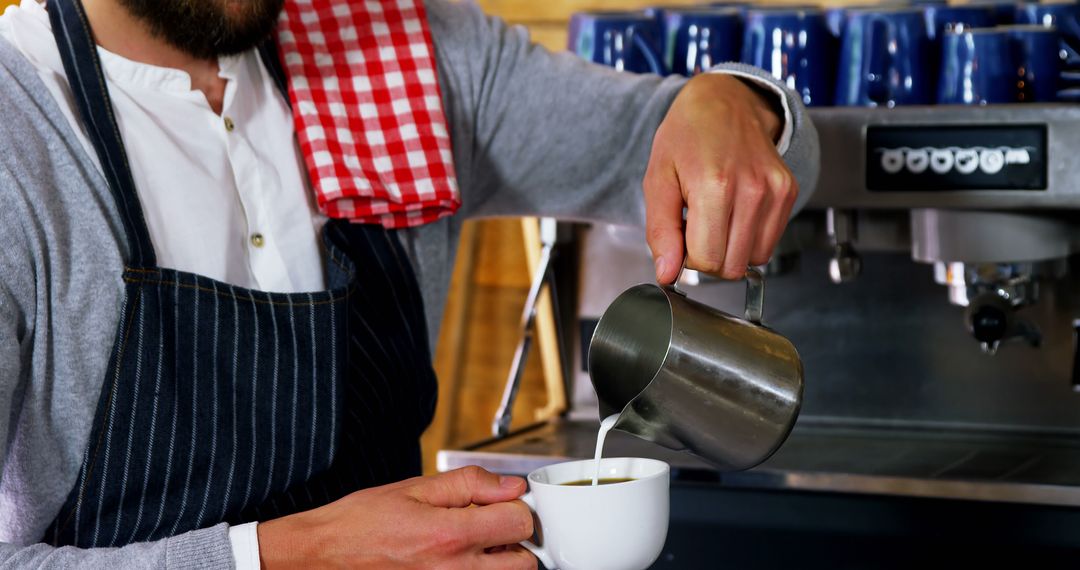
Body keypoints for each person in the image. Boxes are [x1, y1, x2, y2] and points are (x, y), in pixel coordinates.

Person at [0, 0, 819, 567]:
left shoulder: (408, 63)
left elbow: (739, 150)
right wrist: (286, 557)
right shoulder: (18, 140)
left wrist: (732, 102)